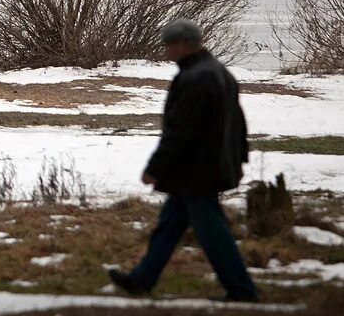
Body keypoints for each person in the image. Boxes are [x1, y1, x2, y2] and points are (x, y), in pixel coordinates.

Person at [108, 19, 258, 303]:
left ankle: (242, 290)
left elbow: (180, 132)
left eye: (169, 46)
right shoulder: (219, 72)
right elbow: (238, 125)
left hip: (196, 170)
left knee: (213, 232)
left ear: (183, 44)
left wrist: (155, 168)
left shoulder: (196, 79)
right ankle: (142, 280)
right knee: (169, 226)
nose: (166, 52)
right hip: (204, 167)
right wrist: (238, 160)